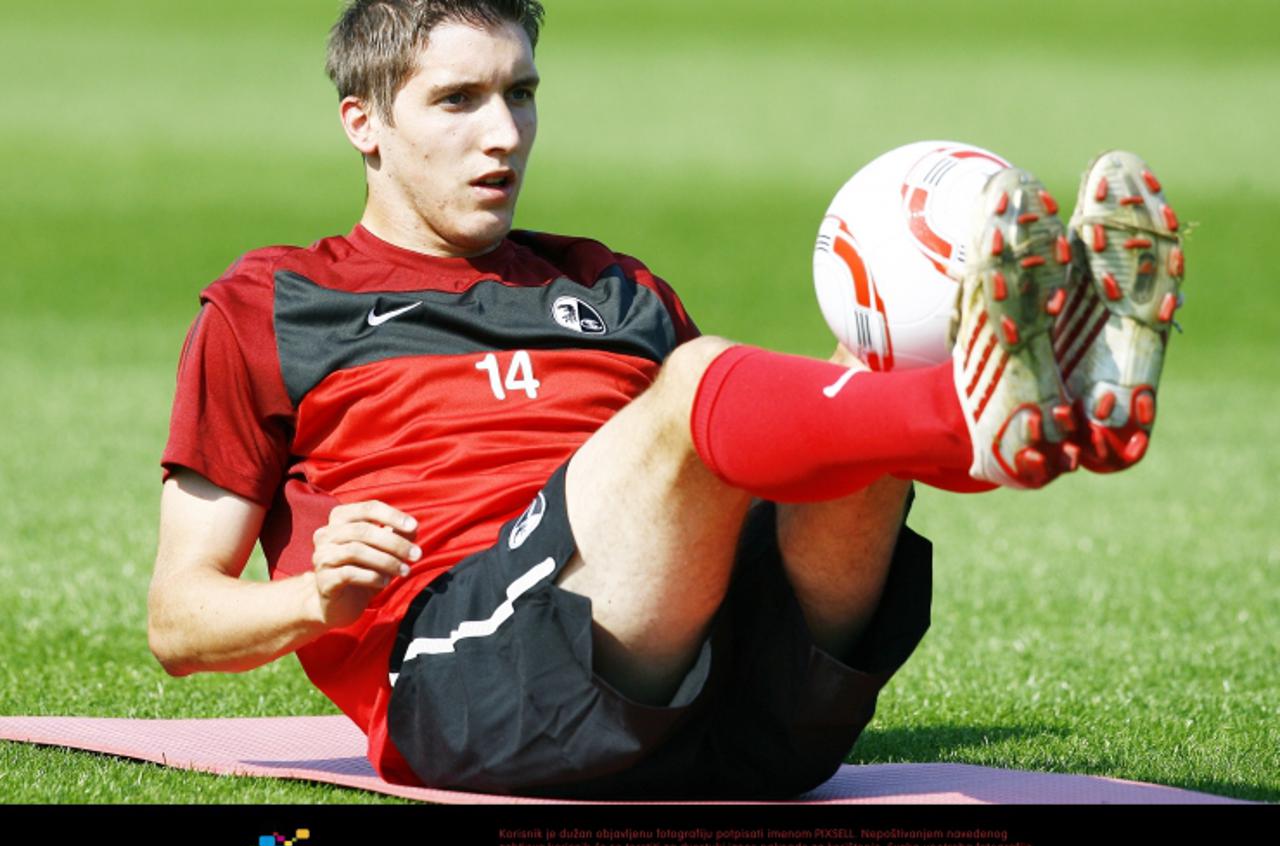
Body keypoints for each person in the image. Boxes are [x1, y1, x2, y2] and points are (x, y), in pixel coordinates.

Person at [148, 0, 1184, 798]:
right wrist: (312, 600)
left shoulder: (613, 288)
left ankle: (1045, 406)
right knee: (698, 387)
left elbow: (750, 466)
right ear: (363, 123)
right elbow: (177, 618)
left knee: (858, 367)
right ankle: (994, 414)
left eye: (521, 93)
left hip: (750, 716)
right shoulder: (276, 304)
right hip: (476, 691)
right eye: (458, 101)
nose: (504, 133)